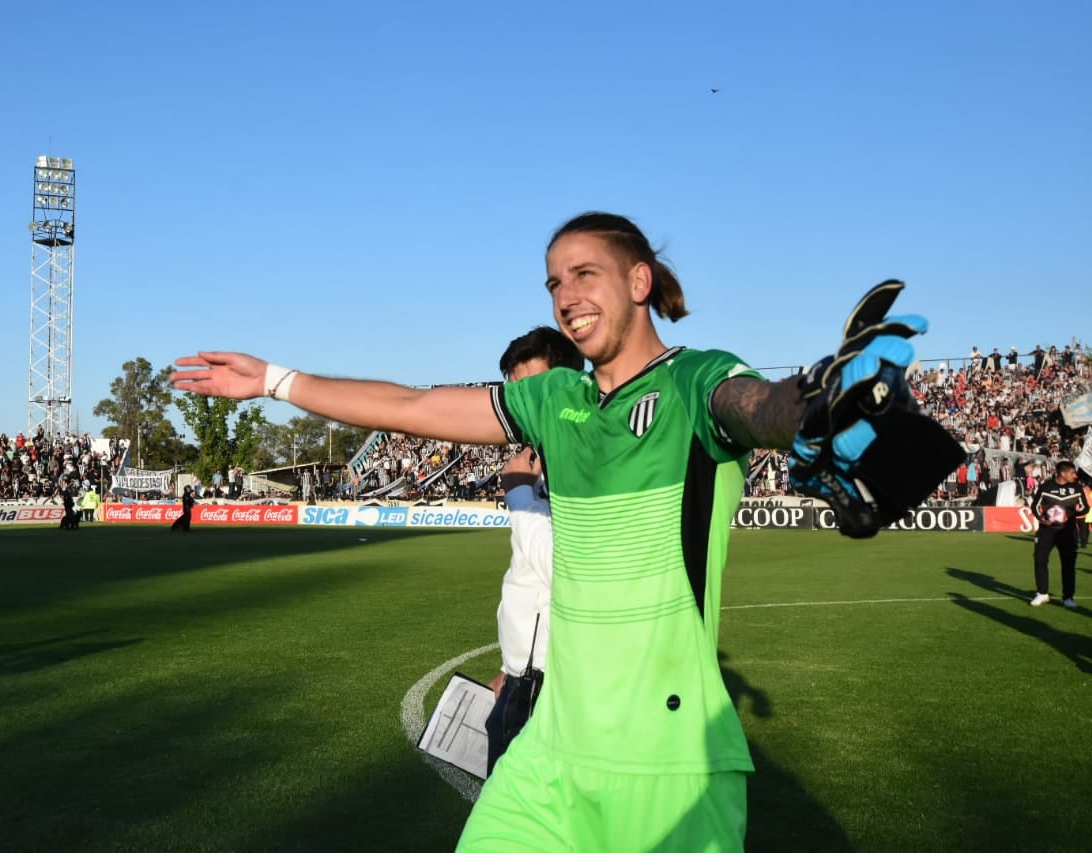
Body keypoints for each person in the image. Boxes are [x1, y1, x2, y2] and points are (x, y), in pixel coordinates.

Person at [172, 212, 936, 851]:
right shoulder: (554, 400)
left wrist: (809, 404)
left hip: (670, 769)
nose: (564, 295)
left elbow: (753, 404)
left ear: (639, 282)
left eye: (583, 274)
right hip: (549, 759)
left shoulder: (696, 378)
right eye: (553, 282)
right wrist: (276, 380)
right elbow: (411, 404)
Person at [484, 326, 584, 776]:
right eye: (514, 391)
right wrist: (511, 666)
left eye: (533, 389)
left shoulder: (576, 463)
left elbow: (564, 571)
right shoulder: (539, 458)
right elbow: (527, 581)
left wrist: (519, 493)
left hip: (551, 684)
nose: (521, 402)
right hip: (524, 676)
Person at [1029, 460, 1086, 608]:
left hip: (1068, 531)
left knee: (1068, 564)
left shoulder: (1077, 488)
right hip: (1047, 530)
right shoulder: (1046, 486)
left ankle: (1068, 597)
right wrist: (1042, 519)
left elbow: (1085, 508)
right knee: (1040, 559)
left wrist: (1069, 514)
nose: (1075, 475)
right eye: (1072, 472)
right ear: (1062, 473)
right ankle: (1042, 593)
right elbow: (1035, 505)